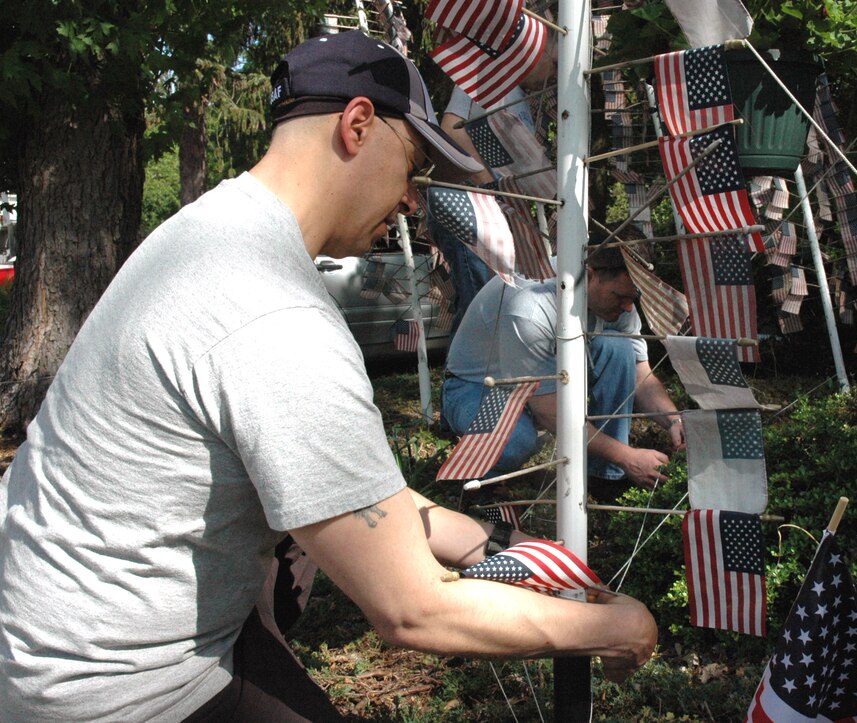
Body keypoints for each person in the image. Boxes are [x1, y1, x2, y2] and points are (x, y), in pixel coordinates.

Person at [0, 32, 657, 720]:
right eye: (412, 165)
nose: (411, 200)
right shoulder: (275, 316)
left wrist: (497, 545)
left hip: (53, 634)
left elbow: (357, 497)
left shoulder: (207, 232)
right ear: (358, 125)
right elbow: (413, 609)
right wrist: (619, 627)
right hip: (106, 689)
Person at [441, 231, 685, 490]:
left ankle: (605, 479)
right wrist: (628, 456)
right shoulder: (531, 308)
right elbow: (550, 414)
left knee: (620, 348)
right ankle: (479, 485)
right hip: (481, 387)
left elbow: (641, 377)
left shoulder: (619, 299)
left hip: (545, 381)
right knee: (515, 443)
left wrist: (675, 420)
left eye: (632, 298)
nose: (628, 307)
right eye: (620, 297)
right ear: (591, 274)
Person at [428, 32, 558, 331]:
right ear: (534, 51)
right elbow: (452, 132)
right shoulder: (490, 76)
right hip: (468, 203)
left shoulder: (520, 98)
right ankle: (465, 376)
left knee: (497, 305)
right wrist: (493, 190)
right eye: (553, 63)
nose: (554, 75)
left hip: (489, 209)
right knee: (482, 309)